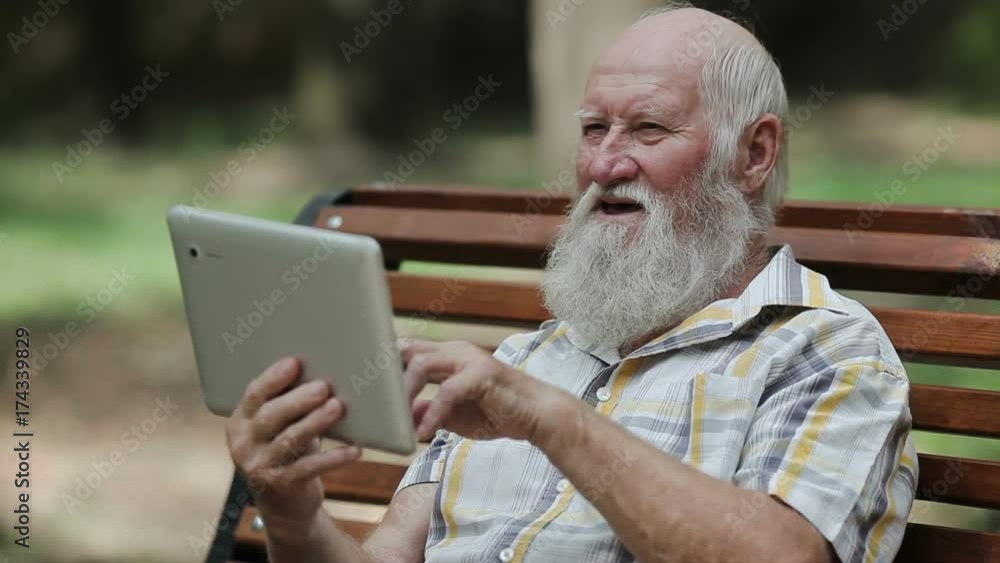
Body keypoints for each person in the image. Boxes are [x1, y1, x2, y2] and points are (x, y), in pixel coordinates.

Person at [224, 4, 918, 562]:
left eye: (648, 129)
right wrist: (292, 513)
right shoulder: (528, 361)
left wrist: (549, 419)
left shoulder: (824, 350)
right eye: (593, 129)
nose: (606, 163)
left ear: (754, 154)